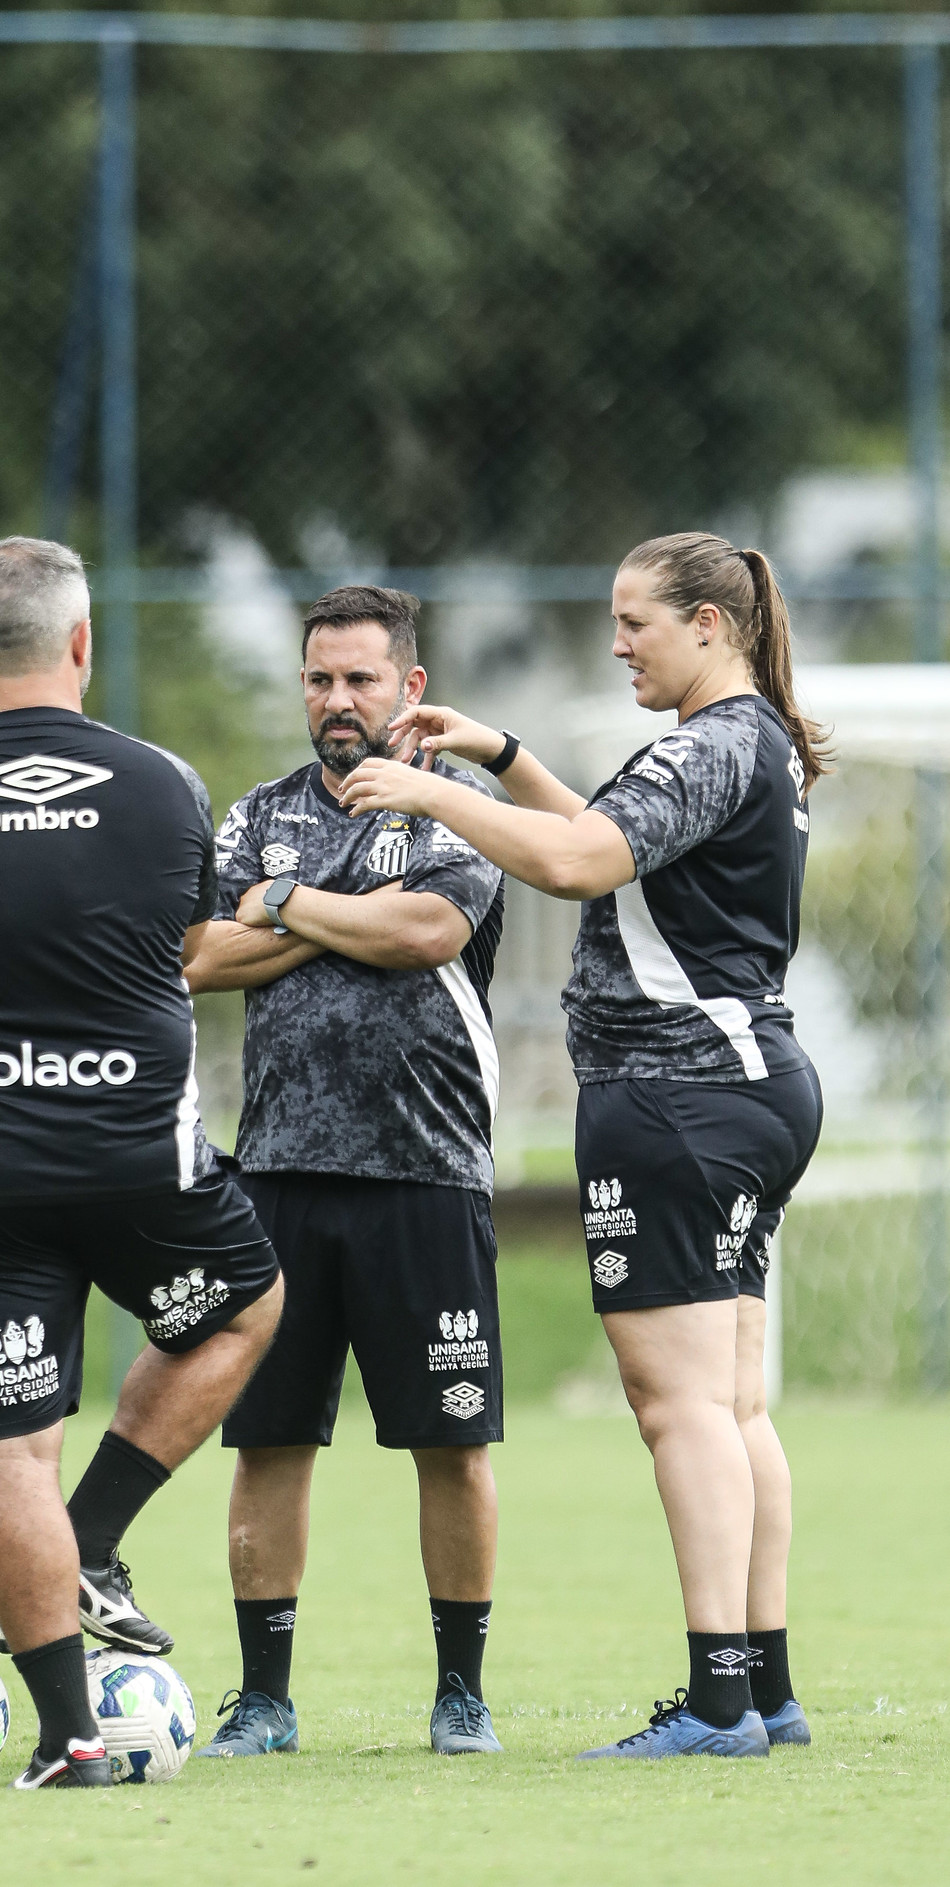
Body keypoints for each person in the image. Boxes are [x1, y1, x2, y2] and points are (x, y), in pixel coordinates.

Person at [340, 532, 825, 1760]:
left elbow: (576, 862)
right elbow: (616, 852)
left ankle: (718, 1702)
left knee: (680, 1409)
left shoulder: (707, 743)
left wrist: (431, 792)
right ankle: (763, 1687)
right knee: (733, 1404)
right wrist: (499, 756)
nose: (617, 644)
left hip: (675, 1099)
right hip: (748, 1085)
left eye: (635, 623)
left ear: (710, 625)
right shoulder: (754, 737)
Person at [0, 535, 284, 1791]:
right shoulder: (163, 785)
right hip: (139, 1159)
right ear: (83, 644)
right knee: (245, 1305)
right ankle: (91, 1536)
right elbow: (187, 944)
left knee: (8, 1454)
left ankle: (67, 1740)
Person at [183, 585, 507, 1760]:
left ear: (409, 688)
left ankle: (461, 1693)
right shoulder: (257, 811)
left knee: (450, 1443)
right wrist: (339, 914)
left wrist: (282, 905)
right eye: (319, 678)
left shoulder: (458, 805)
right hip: (276, 1170)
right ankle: (264, 1699)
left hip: (428, 1169)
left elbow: (429, 933)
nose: (337, 699)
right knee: (270, 1440)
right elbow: (196, 953)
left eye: (360, 678)